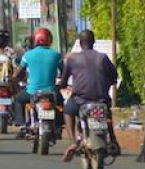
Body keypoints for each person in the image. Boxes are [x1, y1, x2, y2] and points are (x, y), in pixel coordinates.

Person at [60, 30, 120, 161]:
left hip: (80, 100)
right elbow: (114, 76)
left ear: (80, 43)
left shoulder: (72, 59)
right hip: (101, 99)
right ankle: (113, 139)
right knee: (107, 115)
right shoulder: (103, 57)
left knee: (67, 111)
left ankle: (73, 141)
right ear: (94, 42)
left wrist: (63, 86)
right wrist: (108, 83)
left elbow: (63, 81)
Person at [12, 28, 63, 131]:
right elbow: (64, 71)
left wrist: (15, 81)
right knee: (60, 102)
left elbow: (19, 73)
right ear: (50, 40)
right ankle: (58, 124)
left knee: (18, 99)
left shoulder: (27, 55)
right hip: (51, 91)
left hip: (32, 92)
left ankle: (21, 123)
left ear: (35, 40)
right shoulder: (56, 55)